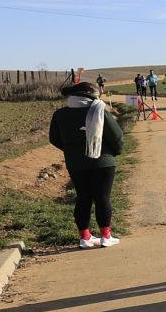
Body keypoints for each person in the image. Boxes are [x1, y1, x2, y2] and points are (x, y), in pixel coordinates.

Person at [48, 80, 124, 249]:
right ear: (91, 96)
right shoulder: (99, 111)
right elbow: (117, 137)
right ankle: (105, 236)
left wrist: (71, 150)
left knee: (83, 197)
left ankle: (84, 238)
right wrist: (113, 153)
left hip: (75, 164)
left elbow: (54, 138)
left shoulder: (60, 115)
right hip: (103, 162)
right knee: (102, 197)